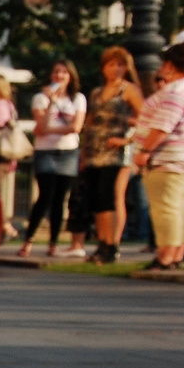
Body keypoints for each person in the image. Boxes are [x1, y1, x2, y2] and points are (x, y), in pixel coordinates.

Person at [79, 47, 144, 264]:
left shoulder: (129, 90)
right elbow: (89, 123)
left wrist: (126, 138)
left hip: (117, 151)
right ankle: (102, 241)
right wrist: (83, 153)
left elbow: (145, 119)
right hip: (96, 150)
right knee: (97, 198)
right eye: (111, 64)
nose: (115, 69)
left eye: (120, 65)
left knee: (111, 196)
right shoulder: (97, 93)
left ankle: (112, 243)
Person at [131, 39, 184, 269]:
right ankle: (178, 253)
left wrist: (146, 150)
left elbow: (164, 124)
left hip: (168, 157)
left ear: (170, 65)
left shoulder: (175, 91)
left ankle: (165, 255)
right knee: (182, 208)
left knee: (166, 207)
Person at [17, 60, 87, 258]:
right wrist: (52, 103)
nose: (60, 75)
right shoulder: (40, 98)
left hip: (68, 151)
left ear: (70, 76)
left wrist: (51, 130)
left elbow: (76, 127)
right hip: (45, 151)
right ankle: (28, 240)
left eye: (64, 72)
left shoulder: (78, 99)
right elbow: (41, 125)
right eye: (56, 71)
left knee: (59, 200)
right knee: (45, 196)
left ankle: (53, 242)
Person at [0, 74, 20, 240]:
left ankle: (6, 226)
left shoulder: (0, 105)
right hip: (4, 156)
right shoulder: (8, 104)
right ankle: (2, 225)